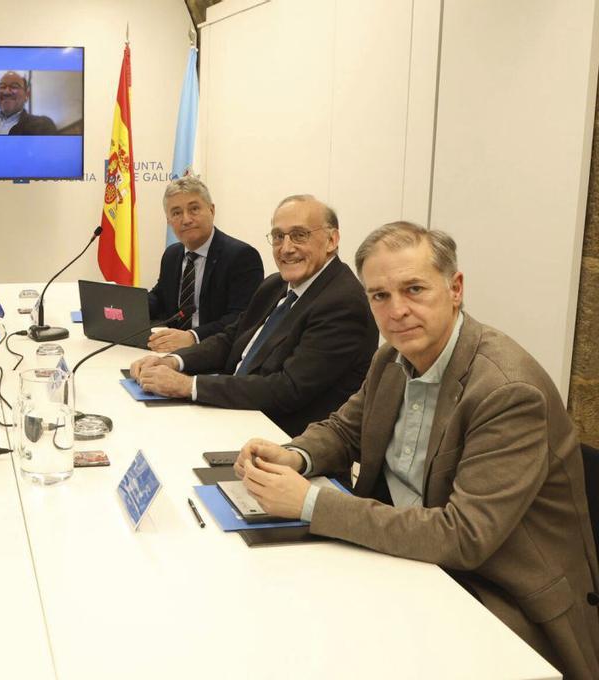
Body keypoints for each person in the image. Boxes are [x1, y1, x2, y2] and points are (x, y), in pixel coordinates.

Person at [235, 222, 599, 678]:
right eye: (380, 296)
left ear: (455, 288)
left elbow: (463, 537)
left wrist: (309, 502)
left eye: (414, 289)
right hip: (406, 561)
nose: (397, 311)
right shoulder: (391, 358)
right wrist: (293, 455)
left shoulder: (508, 391)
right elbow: (345, 431)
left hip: (496, 594)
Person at [131, 194, 376, 436]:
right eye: (279, 237)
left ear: (332, 240)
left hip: (282, 441)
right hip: (237, 414)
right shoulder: (276, 285)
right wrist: (174, 361)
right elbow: (231, 338)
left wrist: (187, 385)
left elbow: (287, 389)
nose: (287, 248)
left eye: (300, 235)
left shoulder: (342, 303)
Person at [145, 176, 263, 351]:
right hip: (171, 351)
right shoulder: (172, 254)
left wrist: (193, 337)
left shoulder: (242, 256)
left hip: (216, 353)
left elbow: (241, 318)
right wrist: (125, 302)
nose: (186, 219)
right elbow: (160, 298)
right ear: (169, 221)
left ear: (211, 210)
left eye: (194, 209)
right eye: (176, 213)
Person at [0, 71, 57, 135]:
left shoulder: (42, 126)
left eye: (14, 86)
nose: (6, 92)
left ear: (27, 95)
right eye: (2, 86)